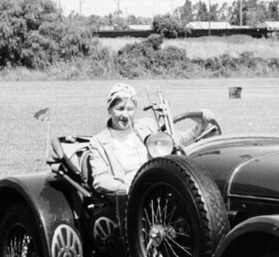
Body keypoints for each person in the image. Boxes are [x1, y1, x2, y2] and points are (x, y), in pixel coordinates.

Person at [82, 82, 215, 195]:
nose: (125, 115)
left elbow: (176, 142)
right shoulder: (98, 142)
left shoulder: (147, 125)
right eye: (119, 109)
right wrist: (130, 188)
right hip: (130, 196)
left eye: (130, 109)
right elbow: (101, 180)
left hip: (159, 188)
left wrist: (201, 126)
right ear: (109, 109)